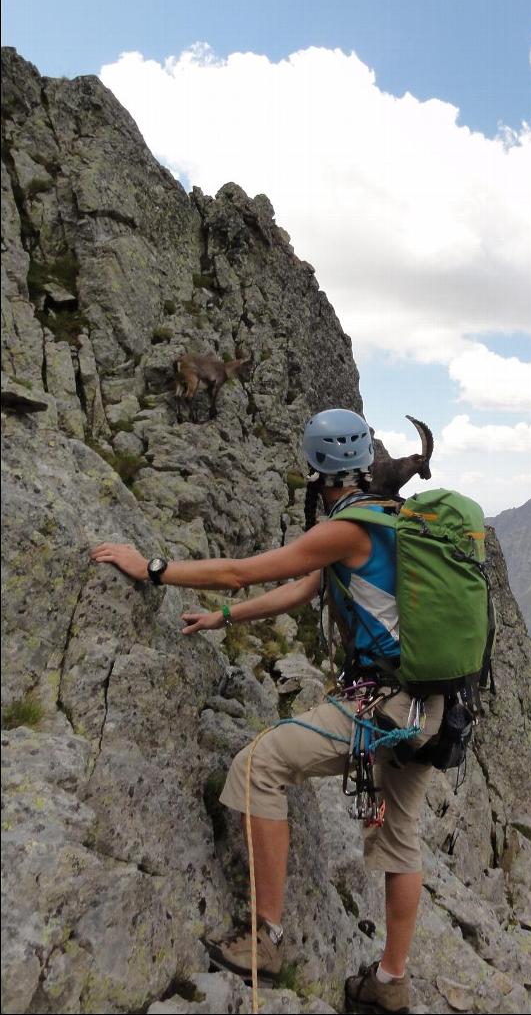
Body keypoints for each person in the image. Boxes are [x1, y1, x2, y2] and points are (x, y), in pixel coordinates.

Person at [91, 408, 442, 1015]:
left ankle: (267, 942)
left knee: (259, 765)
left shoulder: (344, 527)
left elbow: (240, 571)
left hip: (380, 706)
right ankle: (391, 982)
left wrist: (153, 569)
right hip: (430, 709)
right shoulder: (390, 515)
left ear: (316, 468)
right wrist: (226, 618)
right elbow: (303, 587)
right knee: (402, 840)